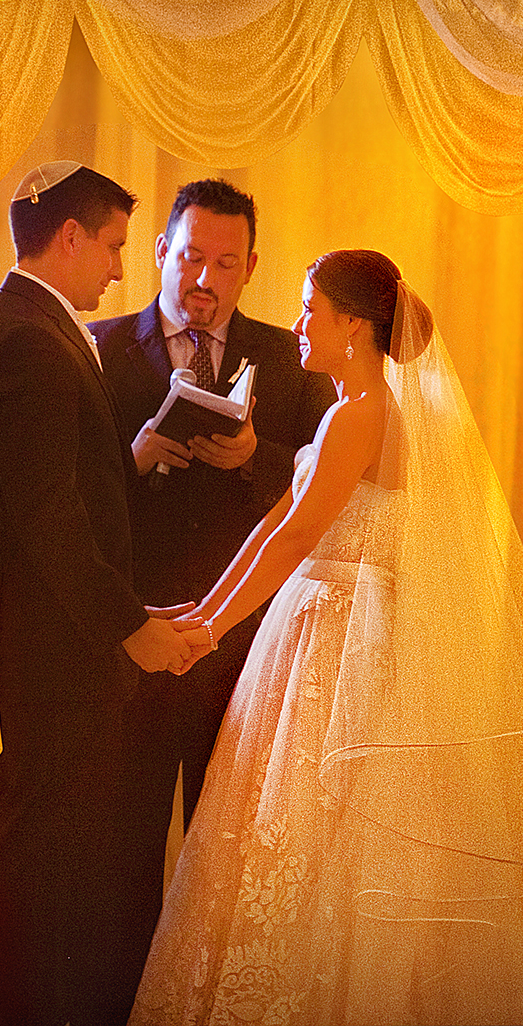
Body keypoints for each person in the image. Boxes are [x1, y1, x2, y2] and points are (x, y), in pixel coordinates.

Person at [130, 249, 523, 1025]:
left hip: (336, 649)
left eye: (312, 310)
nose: (298, 325)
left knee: (327, 845)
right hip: (317, 633)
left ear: (357, 324)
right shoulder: (355, 409)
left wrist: (210, 631)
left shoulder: (360, 412)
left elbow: (297, 537)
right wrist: (206, 610)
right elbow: (277, 522)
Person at [0, 160, 201, 1026]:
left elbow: (58, 490)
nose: (122, 270)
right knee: (41, 875)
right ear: (69, 238)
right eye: (115, 247)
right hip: (56, 663)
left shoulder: (29, 330)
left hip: (57, 657)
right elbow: (48, 524)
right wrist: (131, 631)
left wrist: (125, 465)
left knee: (56, 876)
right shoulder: (27, 344)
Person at [88, 179, 336, 972]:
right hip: (124, 650)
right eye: (191, 257)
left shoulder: (292, 361)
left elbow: (323, 502)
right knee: (115, 875)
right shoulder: (94, 349)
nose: (205, 279)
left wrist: (254, 460)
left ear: (251, 267)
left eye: (226, 263)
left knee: (225, 876)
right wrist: (131, 461)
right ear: (160, 252)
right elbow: (60, 513)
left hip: (242, 659)